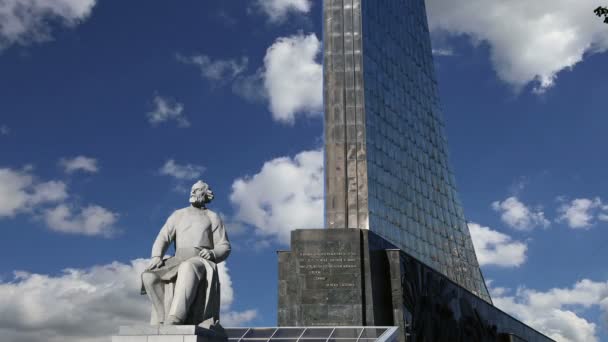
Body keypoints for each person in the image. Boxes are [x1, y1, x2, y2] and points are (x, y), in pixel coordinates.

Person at [141, 180, 231, 327]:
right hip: (177, 258)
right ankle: (163, 318)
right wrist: (157, 256)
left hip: (200, 259)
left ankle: (177, 317)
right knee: (149, 276)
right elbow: (163, 236)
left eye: (198, 190)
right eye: (193, 190)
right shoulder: (178, 215)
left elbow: (224, 245)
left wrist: (213, 253)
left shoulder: (212, 217)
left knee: (188, 267)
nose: (193, 193)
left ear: (206, 194)